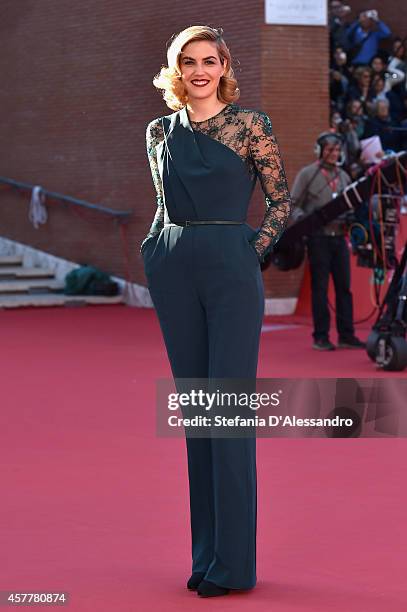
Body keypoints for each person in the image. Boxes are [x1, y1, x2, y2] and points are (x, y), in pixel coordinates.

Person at [140, 25, 292, 598]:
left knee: (226, 415)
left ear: (224, 65)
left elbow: (280, 199)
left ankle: (235, 565)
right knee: (197, 421)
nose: (199, 70)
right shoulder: (158, 130)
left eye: (209, 60)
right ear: (175, 70)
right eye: (188, 61)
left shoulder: (252, 124)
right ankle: (206, 556)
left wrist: (247, 253)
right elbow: (160, 205)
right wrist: (156, 253)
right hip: (174, 270)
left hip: (231, 268)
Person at [290, 132, 365, 351]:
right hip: (318, 239)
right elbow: (292, 204)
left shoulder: (344, 176)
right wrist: (303, 221)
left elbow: (352, 204)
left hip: (340, 239)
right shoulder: (307, 174)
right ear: (320, 151)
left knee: (344, 288)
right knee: (320, 288)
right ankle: (320, 336)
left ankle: (346, 335)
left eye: (337, 150)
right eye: (330, 150)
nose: (334, 154)